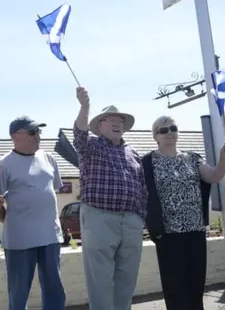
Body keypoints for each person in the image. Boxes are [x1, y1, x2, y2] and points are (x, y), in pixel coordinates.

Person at [142, 115, 225, 310]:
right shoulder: (147, 162)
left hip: (195, 230)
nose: (169, 133)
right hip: (167, 234)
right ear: (155, 136)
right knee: (175, 288)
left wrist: (224, 158)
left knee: (195, 285)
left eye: (173, 128)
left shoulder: (192, 158)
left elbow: (214, 175)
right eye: (163, 130)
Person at [72, 87, 147, 310]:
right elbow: (79, 135)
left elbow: (142, 187)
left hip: (131, 221)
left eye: (120, 119)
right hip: (99, 218)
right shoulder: (91, 146)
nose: (116, 122)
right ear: (99, 125)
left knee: (127, 281)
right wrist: (84, 107)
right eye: (109, 119)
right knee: (101, 281)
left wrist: (139, 217)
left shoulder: (132, 152)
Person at [0, 116, 66, 310]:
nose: (37, 136)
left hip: (50, 236)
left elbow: (50, 193)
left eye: (38, 131)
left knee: (54, 290)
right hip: (19, 240)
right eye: (32, 132)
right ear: (15, 136)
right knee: (18, 294)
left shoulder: (49, 158)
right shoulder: (3, 164)